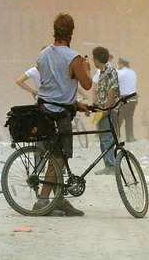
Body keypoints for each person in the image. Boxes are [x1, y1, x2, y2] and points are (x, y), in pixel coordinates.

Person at [34, 13, 93, 216]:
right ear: (71, 32)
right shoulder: (73, 58)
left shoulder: (42, 55)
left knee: (58, 156)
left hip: (42, 110)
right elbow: (87, 84)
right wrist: (87, 68)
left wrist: (76, 104)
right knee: (59, 157)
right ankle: (43, 201)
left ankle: (59, 200)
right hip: (59, 115)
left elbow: (53, 89)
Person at [92, 46, 119, 175]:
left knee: (107, 138)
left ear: (97, 59)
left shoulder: (110, 71)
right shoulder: (102, 73)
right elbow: (100, 92)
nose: (93, 61)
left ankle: (112, 166)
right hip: (101, 110)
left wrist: (107, 109)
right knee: (103, 138)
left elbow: (112, 91)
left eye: (94, 58)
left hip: (108, 110)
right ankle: (108, 164)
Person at [117, 57, 138, 142]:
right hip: (133, 98)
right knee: (129, 118)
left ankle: (117, 136)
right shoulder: (133, 72)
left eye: (119, 64)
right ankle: (130, 137)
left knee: (119, 118)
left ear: (121, 64)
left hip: (123, 98)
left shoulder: (120, 72)